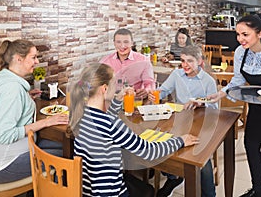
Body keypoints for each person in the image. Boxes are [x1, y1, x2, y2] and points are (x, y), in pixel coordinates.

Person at [69, 63, 199, 197]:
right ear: (104, 89)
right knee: (147, 190)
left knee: (143, 187)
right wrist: (180, 141)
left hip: (86, 190)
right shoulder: (112, 125)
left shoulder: (79, 115)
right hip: (111, 193)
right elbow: (149, 152)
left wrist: (118, 100)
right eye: (114, 83)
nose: (117, 87)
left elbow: (103, 124)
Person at [209, 14, 261, 197]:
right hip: (258, 104)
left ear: (260, 33)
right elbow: (238, 80)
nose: (240, 39)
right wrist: (221, 93)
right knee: (251, 144)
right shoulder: (241, 52)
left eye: (245, 34)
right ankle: (257, 188)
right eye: (238, 34)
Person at [0, 39, 69, 183]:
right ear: (18, 59)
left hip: (7, 154)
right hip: (4, 164)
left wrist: (26, 98)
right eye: (33, 57)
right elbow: (4, 135)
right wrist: (47, 122)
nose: (36, 62)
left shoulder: (3, 79)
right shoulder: (13, 89)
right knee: (69, 154)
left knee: (63, 144)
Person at [149, 45, 217, 197]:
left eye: (190, 61)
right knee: (159, 142)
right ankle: (173, 177)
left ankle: (209, 194)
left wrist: (201, 102)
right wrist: (155, 94)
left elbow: (215, 108)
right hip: (179, 122)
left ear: (199, 61)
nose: (185, 65)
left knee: (201, 159)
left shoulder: (208, 81)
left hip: (201, 125)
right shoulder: (177, 74)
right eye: (183, 60)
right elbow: (163, 91)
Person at [100, 28, 155, 98]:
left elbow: (150, 83)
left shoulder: (143, 60)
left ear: (132, 43)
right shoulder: (105, 61)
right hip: (111, 102)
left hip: (135, 101)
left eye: (126, 42)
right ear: (114, 43)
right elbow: (98, 84)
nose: (122, 46)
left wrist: (147, 90)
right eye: (118, 42)